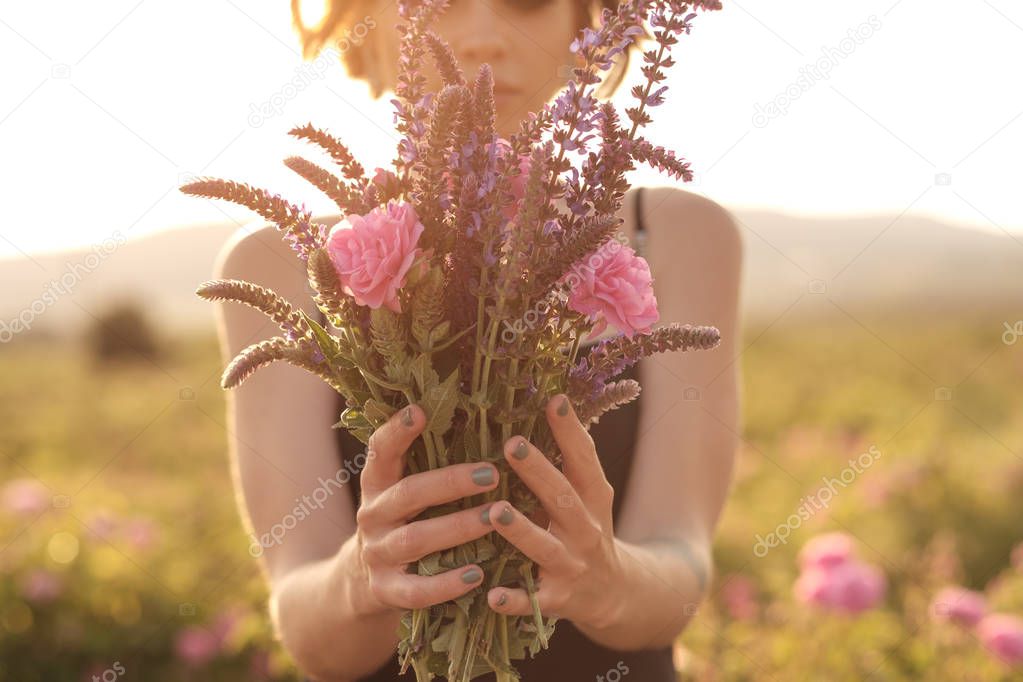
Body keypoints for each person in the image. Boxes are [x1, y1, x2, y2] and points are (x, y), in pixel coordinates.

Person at [212, 1, 742, 679]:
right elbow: (313, 635)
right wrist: (359, 580)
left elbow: (679, 565)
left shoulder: (675, 235)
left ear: (586, 25)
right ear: (367, 29)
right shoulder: (279, 260)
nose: (487, 37)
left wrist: (609, 581)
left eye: (528, 0)